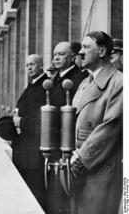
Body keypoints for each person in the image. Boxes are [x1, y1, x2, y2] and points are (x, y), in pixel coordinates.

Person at [70, 31, 123, 214]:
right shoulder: (85, 82)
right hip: (78, 164)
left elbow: (111, 127)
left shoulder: (120, 83)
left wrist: (81, 160)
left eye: (86, 47)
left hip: (98, 167)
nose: (80, 53)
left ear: (101, 52)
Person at [0, 54, 49, 212]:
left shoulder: (44, 85)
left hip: (32, 147)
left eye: (33, 64)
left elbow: (41, 115)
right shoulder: (33, 84)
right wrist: (17, 112)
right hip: (24, 144)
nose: (29, 68)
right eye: (27, 65)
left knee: (32, 188)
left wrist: (21, 119)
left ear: (41, 66)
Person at [45, 41, 88, 214]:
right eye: (55, 53)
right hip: (54, 142)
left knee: (62, 197)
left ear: (72, 58)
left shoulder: (76, 78)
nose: (56, 57)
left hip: (64, 143)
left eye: (61, 54)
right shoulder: (59, 78)